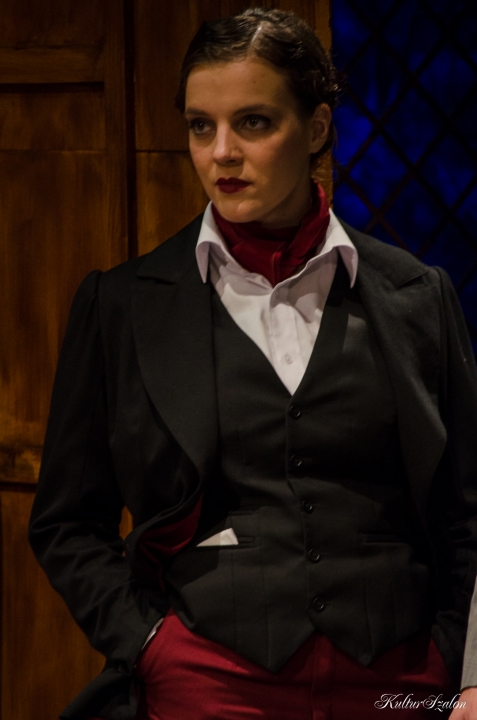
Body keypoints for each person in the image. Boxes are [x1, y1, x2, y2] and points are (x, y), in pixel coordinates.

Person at [28, 8, 477, 720]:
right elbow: (66, 521)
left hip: (399, 681)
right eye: (199, 126)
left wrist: (463, 664)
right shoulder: (121, 305)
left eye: (253, 123)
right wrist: (149, 645)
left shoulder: (417, 296)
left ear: (317, 129)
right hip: (210, 680)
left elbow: (465, 509)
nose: (221, 153)